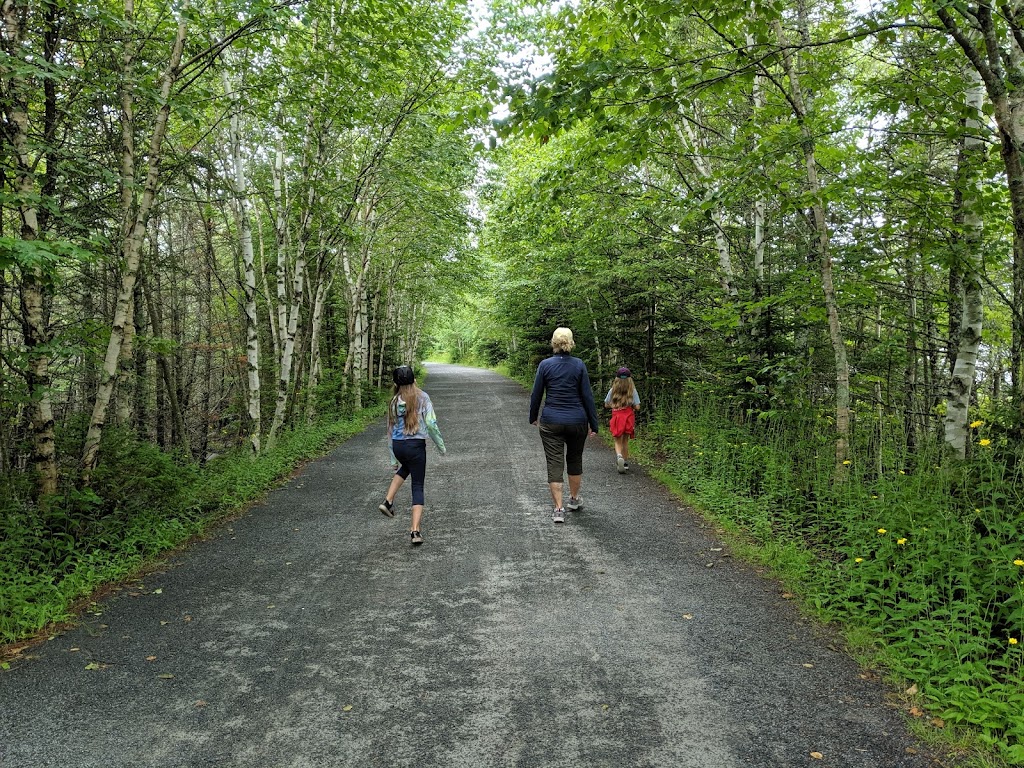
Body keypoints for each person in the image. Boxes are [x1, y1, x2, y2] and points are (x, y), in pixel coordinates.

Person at [529, 327, 600, 524]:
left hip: (551, 421)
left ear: (553, 342)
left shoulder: (545, 365)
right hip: (577, 420)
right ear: (571, 342)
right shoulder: (579, 365)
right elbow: (587, 396)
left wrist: (533, 416)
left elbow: (537, 393)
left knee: (554, 463)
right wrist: (594, 423)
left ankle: (558, 509)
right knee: (575, 459)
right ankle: (574, 500)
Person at [378, 365, 446, 546]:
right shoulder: (423, 397)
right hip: (415, 446)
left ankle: (388, 500)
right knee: (417, 485)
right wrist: (440, 445)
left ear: (395, 383)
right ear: (414, 380)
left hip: (399, 446)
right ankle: (415, 531)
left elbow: (390, 430)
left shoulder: (393, 401)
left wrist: (393, 457)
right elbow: (431, 424)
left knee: (406, 466)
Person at [605, 366, 640, 473]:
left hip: (617, 417)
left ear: (617, 379)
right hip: (628, 417)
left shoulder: (613, 390)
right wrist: (631, 406)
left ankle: (619, 456)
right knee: (625, 440)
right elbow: (637, 407)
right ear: (630, 379)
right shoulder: (632, 390)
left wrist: (615, 406)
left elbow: (606, 404)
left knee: (617, 440)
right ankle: (624, 463)